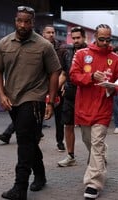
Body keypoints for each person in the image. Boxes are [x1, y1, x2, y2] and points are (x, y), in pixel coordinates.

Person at [0, 6, 61, 200]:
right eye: (19, 21)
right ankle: (40, 175)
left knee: (23, 141)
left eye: (27, 22)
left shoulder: (43, 45)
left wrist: (50, 101)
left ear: (33, 23)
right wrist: (1, 93)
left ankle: (19, 187)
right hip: (12, 99)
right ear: (15, 20)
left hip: (34, 98)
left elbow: (54, 72)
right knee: (29, 139)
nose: (23, 25)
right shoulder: (4, 43)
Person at [69, 24, 118, 199]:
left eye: (108, 39)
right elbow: (73, 76)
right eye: (102, 39)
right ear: (95, 37)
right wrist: (91, 77)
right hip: (84, 108)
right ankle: (100, 158)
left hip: (103, 108)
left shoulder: (116, 59)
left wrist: (114, 87)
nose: (105, 42)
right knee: (90, 142)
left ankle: (94, 183)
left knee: (97, 144)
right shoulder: (81, 54)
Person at [57, 26, 87, 167]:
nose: (75, 40)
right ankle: (70, 156)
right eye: (73, 38)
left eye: (78, 38)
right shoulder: (67, 52)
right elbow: (64, 73)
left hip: (86, 94)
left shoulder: (91, 52)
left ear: (84, 37)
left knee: (88, 127)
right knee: (68, 125)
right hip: (70, 93)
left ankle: (97, 153)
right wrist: (54, 90)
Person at [42, 24, 67, 152]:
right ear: (43, 34)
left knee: (59, 118)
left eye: (53, 32)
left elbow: (65, 70)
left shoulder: (62, 49)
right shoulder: (38, 47)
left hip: (57, 87)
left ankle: (60, 141)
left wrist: (59, 86)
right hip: (40, 87)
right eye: (48, 32)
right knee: (36, 113)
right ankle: (36, 136)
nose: (51, 34)